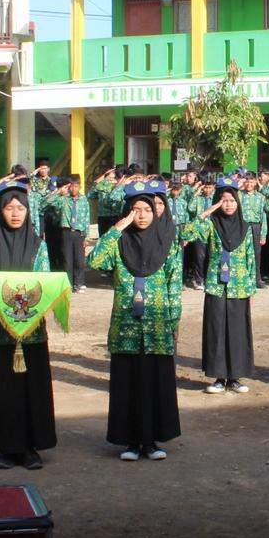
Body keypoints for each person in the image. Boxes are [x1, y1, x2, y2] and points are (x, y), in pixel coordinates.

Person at [86, 180, 183, 461]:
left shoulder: (167, 244)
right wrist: (117, 228)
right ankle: (129, 442)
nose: (141, 215)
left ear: (156, 212)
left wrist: (173, 321)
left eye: (146, 210)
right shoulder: (119, 244)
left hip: (156, 327)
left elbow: (173, 286)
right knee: (127, 383)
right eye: (135, 210)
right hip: (126, 327)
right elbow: (94, 261)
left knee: (154, 382)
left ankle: (151, 441)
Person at [0, 184, 58, 470]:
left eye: (21, 208)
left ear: (29, 211)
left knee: (32, 386)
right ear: (0, 212)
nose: (15, 213)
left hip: (31, 330)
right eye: (9, 208)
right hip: (1, 330)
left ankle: (30, 447)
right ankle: (6, 447)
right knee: (5, 388)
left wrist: (23, 309)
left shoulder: (39, 246)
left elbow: (45, 280)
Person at [181, 178, 257, 394]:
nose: (229, 205)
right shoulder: (211, 224)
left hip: (239, 287)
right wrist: (206, 213)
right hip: (216, 285)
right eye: (223, 201)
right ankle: (218, 377)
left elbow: (251, 259)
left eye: (232, 200)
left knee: (237, 331)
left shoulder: (246, 227)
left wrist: (251, 287)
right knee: (216, 330)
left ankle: (235, 377)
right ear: (217, 202)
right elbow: (186, 234)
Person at [51, 176, 89, 291]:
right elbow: (48, 201)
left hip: (79, 233)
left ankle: (79, 283)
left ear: (80, 187)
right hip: (66, 232)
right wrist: (59, 191)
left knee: (79, 260)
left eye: (76, 186)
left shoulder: (83, 200)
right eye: (71, 186)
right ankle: (68, 284)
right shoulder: (63, 199)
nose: (73, 189)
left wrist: (86, 236)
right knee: (67, 259)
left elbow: (87, 218)